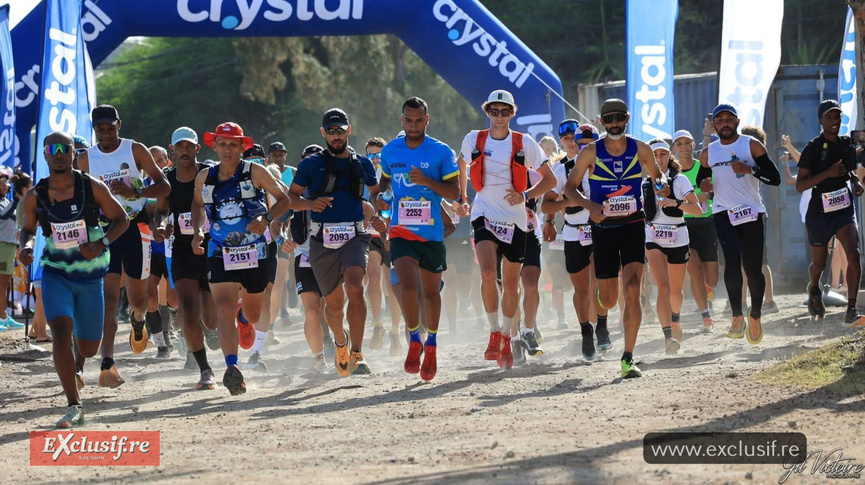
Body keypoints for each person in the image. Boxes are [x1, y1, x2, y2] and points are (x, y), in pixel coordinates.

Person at [18, 131, 130, 427]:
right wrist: (26, 247)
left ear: (72, 153)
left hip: (90, 278)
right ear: (44, 154)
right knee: (60, 332)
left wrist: (101, 245)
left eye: (63, 148)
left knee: (89, 347)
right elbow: (27, 230)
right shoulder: (36, 195)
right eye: (51, 148)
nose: (57, 153)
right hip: (56, 272)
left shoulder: (91, 187)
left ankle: (83, 361)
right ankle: (73, 405)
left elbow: (122, 219)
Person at [563, 98, 668, 378]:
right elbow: (569, 189)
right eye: (608, 119)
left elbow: (659, 178)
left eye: (618, 118)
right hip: (603, 229)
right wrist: (590, 206)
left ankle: (628, 358)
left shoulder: (641, 148)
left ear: (627, 118)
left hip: (633, 225)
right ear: (601, 121)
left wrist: (662, 186)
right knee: (610, 300)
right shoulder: (590, 152)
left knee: (633, 289)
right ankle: (602, 300)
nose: (614, 124)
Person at [191, 122, 291, 395]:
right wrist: (199, 231)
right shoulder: (205, 178)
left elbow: (285, 199)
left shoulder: (255, 172)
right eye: (222, 144)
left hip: (254, 253)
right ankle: (232, 367)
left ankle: (244, 319)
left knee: (254, 312)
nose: (227, 149)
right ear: (214, 146)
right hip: (219, 251)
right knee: (223, 306)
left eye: (233, 144)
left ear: (242, 147)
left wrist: (266, 218)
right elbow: (197, 206)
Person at [459, 89, 555, 370]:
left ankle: (506, 335)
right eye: (494, 110)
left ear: (513, 113)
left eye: (505, 111)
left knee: (512, 287)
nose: (499, 116)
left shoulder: (524, 143)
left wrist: (525, 195)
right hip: (484, 214)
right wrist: (462, 199)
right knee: (489, 273)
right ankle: (493, 333)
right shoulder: (473, 139)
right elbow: (461, 163)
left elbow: (548, 180)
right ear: (486, 111)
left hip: (515, 221)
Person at [77, 105, 170, 388]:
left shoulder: (135, 150)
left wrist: (137, 192)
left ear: (119, 124)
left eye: (110, 127)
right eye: (99, 129)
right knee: (109, 300)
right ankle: (108, 363)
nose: (105, 134)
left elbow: (164, 186)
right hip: (105, 231)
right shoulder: (84, 160)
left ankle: (138, 320)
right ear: (94, 130)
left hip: (135, 227)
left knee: (139, 300)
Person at [373, 96, 459, 380]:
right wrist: (381, 198)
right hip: (400, 231)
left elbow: (454, 193)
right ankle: (414, 340)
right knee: (407, 288)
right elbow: (384, 182)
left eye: (418, 120)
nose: (413, 125)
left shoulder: (440, 152)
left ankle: (431, 345)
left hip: (432, 233)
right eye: (408, 120)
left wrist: (427, 182)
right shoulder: (390, 151)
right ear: (401, 121)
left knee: (431, 293)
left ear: (427, 120)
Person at [288, 109, 379, 376]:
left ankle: (358, 353)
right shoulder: (310, 165)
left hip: (354, 235)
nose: (336, 136)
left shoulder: (362, 163)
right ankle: (341, 341)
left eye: (340, 130)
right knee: (334, 306)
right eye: (331, 131)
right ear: (323, 133)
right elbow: (290, 198)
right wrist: (309, 203)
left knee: (355, 286)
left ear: (349, 130)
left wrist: (379, 213)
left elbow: (376, 194)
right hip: (321, 239)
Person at [697, 104, 781, 344]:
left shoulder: (751, 145)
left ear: (736, 121)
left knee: (753, 270)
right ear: (714, 125)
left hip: (752, 212)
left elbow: (774, 178)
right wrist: (705, 185)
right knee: (731, 263)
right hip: (723, 213)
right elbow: (702, 179)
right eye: (720, 119)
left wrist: (749, 169)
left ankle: (755, 315)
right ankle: (736, 315)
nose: (725, 123)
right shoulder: (708, 152)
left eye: (729, 119)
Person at [153, 127, 220, 388]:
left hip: (211, 246)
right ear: (172, 151)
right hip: (181, 247)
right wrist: (160, 226)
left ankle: (211, 329)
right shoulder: (166, 180)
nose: (184, 151)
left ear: (196, 149)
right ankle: (204, 369)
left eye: (188, 146)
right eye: (179, 147)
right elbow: (159, 212)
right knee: (187, 309)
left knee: (211, 317)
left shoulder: (209, 174)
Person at [541, 121, 608, 361]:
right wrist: (561, 208)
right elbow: (546, 203)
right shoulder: (563, 169)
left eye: (590, 145)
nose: (583, 148)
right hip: (573, 232)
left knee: (598, 283)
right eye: (580, 144)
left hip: (601, 230)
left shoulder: (607, 166)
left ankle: (601, 325)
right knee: (581, 289)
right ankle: (586, 331)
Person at [795, 100, 865, 327]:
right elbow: (800, 185)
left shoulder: (846, 144)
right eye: (830, 117)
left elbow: (848, 172)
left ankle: (851, 309)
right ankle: (814, 289)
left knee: (853, 253)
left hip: (843, 207)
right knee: (819, 263)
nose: (835, 121)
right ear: (820, 121)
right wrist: (827, 173)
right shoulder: (812, 148)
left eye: (838, 117)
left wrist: (855, 183)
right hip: (819, 211)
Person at [642, 139, 703, 354]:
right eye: (654, 155)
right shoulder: (643, 183)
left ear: (669, 156)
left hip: (678, 237)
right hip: (654, 238)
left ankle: (676, 319)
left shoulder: (680, 180)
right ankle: (668, 337)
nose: (658, 159)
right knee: (663, 288)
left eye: (662, 154)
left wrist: (675, 203)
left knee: (675, 292)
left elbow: (698, 210)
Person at [674, 129, 718, 332]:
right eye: (679, 143)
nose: (683, 147)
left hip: (705, 223)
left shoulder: (703, 166)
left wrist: (706, 197)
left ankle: (708, 290)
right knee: (695, 271)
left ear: (693, 145)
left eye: (687, 143)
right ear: (674, 148)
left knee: (712, 279)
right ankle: (705, 316)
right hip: (683, 225)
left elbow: (716, 190)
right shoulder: (673, 172)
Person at [740, 125, 779, 315]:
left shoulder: (756, 163)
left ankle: (769, 301)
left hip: (755, 213)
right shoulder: (743, 160)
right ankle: (743, 301)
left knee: (761, 260)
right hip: (741, 214)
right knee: (746, 260)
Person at [0, 167, 21, 329]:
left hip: (9, 246)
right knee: (1, 284)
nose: (5, 184)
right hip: (2, 246)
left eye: (6, 181)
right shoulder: (6, 202)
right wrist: (16, 198)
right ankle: (2, 317)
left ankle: (4, 316)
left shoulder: (6, 201)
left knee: (4, 284)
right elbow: (4, 215)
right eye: (1, 182)